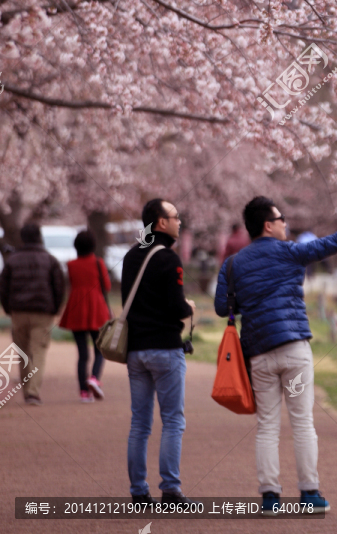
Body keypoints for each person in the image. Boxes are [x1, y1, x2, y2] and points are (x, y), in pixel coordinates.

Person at [214, 196, 337, 515]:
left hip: (258, 355)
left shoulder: (233, 263)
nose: (285, 223)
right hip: (293, 351)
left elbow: (223, 308)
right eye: (281, 218)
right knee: (302, 422)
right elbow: (334, 243)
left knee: (267, 426)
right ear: (268, 224)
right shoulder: (292, 252)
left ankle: (270, 498)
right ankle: (309, 494)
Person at [121, 199, 195, 508]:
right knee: (173, 421)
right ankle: (170, 491)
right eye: (176, 217)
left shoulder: (129, 257)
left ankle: (139, 491)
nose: (180, 222)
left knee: (140, 423)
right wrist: (189, 308)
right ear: (161, 223)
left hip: (136, 350)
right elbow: (175, 307)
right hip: (165, 349)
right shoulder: (169, 260)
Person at [0, 222, 65, 406]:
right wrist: (55, 307)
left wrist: (8, 308)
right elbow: (58, 286)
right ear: (39, 237)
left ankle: (28, 389)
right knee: (39, 351)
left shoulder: (12, 260)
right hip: (43, 312)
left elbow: (3, 288)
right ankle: (33, 393)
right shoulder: (50, 260)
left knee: (23, 352)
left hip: (18, 311)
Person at [59, 229, 111, 403]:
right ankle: (94, 378)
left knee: (82, 354)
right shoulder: (98, 262)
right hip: (96, 308)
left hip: (76, 309)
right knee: (100, 349)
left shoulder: (71, 264)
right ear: (93, 245)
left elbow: (72, 284)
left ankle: (83, 392)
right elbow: (107, 286)